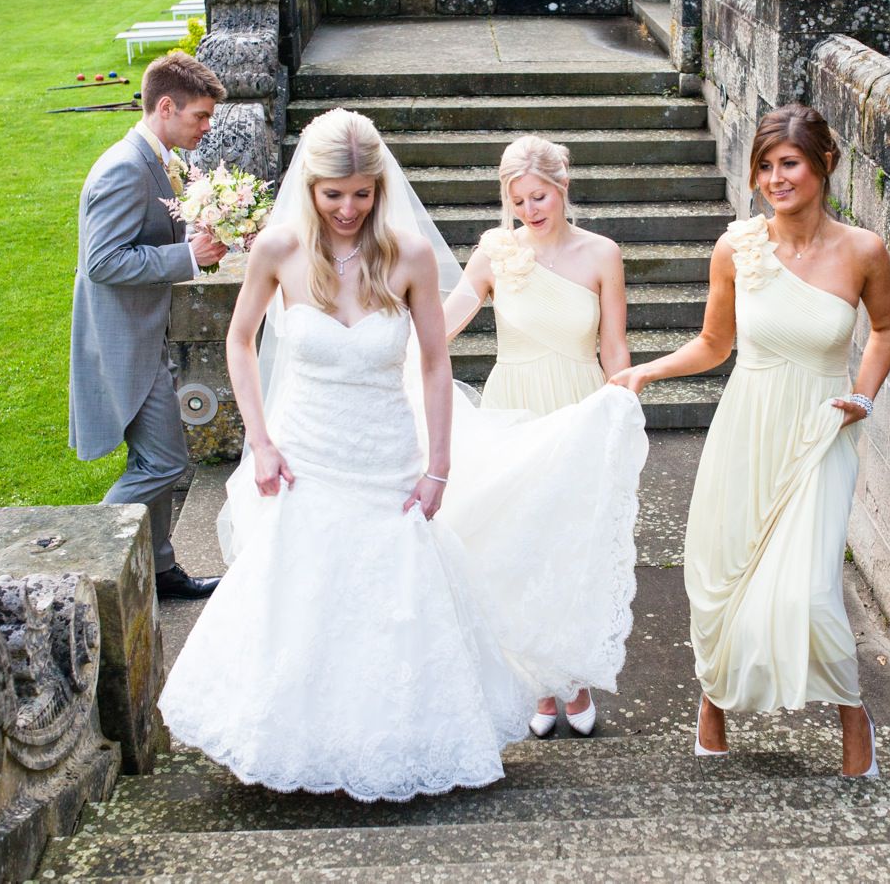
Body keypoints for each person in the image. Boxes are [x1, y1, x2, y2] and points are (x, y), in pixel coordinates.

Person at [159, 109, 646, 800]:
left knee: (396, 599)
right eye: (334, 194)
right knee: (305, 593)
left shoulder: (410, 255)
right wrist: (259, 440)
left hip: (385, 450)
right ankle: (298, 739)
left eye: (362, 193)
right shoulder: (278, 249)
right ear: (312, 188)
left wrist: (439, 463)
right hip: (307, 450)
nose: (349, 208)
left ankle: (394, 739)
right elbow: (240, 341)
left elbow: (435, 364)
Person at [610, 104, 890, 775]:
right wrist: (649, 369)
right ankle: (713, 703)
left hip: (820, 432)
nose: (775, 178)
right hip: (746, 426)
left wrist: (864, 391)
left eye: (789, 163)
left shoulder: (863, 251)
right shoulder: (737, 247)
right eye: (765, 166)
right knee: (722, 575)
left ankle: (855, 717)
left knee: (811, 590)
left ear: (824, 163)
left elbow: (885, 329)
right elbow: (717, 344)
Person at [444, 135, 629, 738]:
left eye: (539, 195)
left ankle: (571, 680)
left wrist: (622, 404)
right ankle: (535, 685)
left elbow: (613, 346)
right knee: (519, 544)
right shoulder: (495, 251)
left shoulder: (602, 254)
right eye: (519, 199)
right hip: (514, 410)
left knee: (571, 545)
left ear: (562, 185)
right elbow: (449, 318)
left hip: (578, 406)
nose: (530, 209)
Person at [69, 50, 227, 601]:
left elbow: (141, 240)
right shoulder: (122, 167)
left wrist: (196, 240)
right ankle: (86, 555)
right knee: (165, 462)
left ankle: (160, 571)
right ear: (166, 106)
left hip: (144, 335)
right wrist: (187, 258)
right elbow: (103, 261)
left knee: (155, 458)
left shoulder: (155, 158)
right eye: (199, 117)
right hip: (121, 343)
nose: (206, 128)